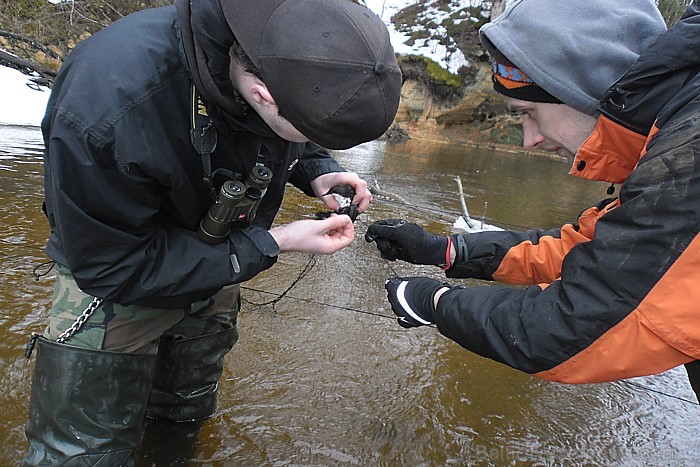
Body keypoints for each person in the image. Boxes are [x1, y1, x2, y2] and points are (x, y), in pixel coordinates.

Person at [25, 0, 401, 464]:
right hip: (116, 279)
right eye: (300, 130)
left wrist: (317, 167)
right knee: (83, 450)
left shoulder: (286, 41)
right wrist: (274, 241)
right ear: (263, 94)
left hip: (222, 262)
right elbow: (110, 266)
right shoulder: (105, 104)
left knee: (185, 413)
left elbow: (289, 124)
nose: (300, 139)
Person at [366, 0, 700, 403]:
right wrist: (446, 249)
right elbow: (584, 250)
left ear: (577, 86)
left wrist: (435, 302)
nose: (530, 140)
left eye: (529, 113)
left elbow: (580, 327)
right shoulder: (673, 138)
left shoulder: (688, 152)